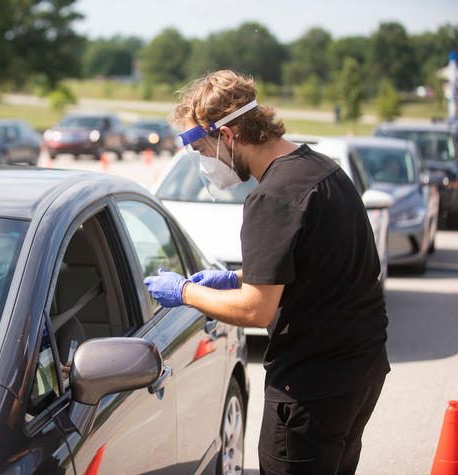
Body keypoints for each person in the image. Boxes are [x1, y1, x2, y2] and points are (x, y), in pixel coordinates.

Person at [144, 70, 389, 475]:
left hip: (310, 388)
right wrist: (239, 277)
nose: (204, 163)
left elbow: (255, 312)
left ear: (227, 136)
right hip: (361, 371)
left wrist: (185, 292)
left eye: (202, 149)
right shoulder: (322, 169)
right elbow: (319, 265)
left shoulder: (271, 197)